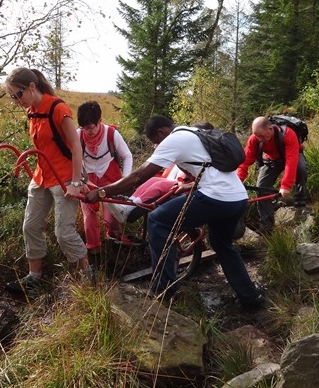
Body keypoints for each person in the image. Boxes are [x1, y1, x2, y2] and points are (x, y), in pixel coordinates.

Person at [84, 115, 265, 310]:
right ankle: (250, 298)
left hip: (216, 197)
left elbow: (139, 175)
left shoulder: (174, 139)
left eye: (156, 143)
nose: (157, 147)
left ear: (162, 132)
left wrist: (103, 191)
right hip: (236, 198)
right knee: (223, 246)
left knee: (158, 220)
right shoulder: (195, 132)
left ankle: (165, 290)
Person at [3, 68, 92, 293]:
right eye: (12, 97)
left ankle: (88, 275)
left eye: (18, 95)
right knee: (30, 226)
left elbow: (76, 147)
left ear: (32, 87)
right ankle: (35, 276)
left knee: (63, 232)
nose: (16, 101)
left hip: (64, 176)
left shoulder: (57, 108)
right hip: (42, 176)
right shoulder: (31, 111)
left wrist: (75, 182)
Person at [104, 121, 214, 224]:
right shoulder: (192, 150)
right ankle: (129, 203)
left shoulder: (205, 155)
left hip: (188, 188)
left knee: (160, 184)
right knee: (154, 179)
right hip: (182, 184)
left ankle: (128, 208)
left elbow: (202, 179)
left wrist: (186, 185)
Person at [76, 100, 134, 252]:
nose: (87, 131)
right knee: (89, 215)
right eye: (83, 127)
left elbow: (127, 156)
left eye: (90, 127)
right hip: (87, 178)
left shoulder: (111, 134)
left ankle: (114, 240)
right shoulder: (78, 136)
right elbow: (72, 159)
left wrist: (125, 180)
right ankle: (94, 249)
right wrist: (79, 179)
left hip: (110, 176)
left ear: (99, 121)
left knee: (113, 214)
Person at [236, 117, 308, 233]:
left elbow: (291, 161)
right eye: (258, 137)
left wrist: (285, 186)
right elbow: (244, 162)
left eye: (263, 136)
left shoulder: (288, 134)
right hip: (273, 160)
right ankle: (267, 225)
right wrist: (237, 181)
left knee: (301, 168)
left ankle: (300, 201)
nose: (261, 140)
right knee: (261, 187)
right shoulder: (255, 139)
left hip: (292, 155)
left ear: (270, 129)